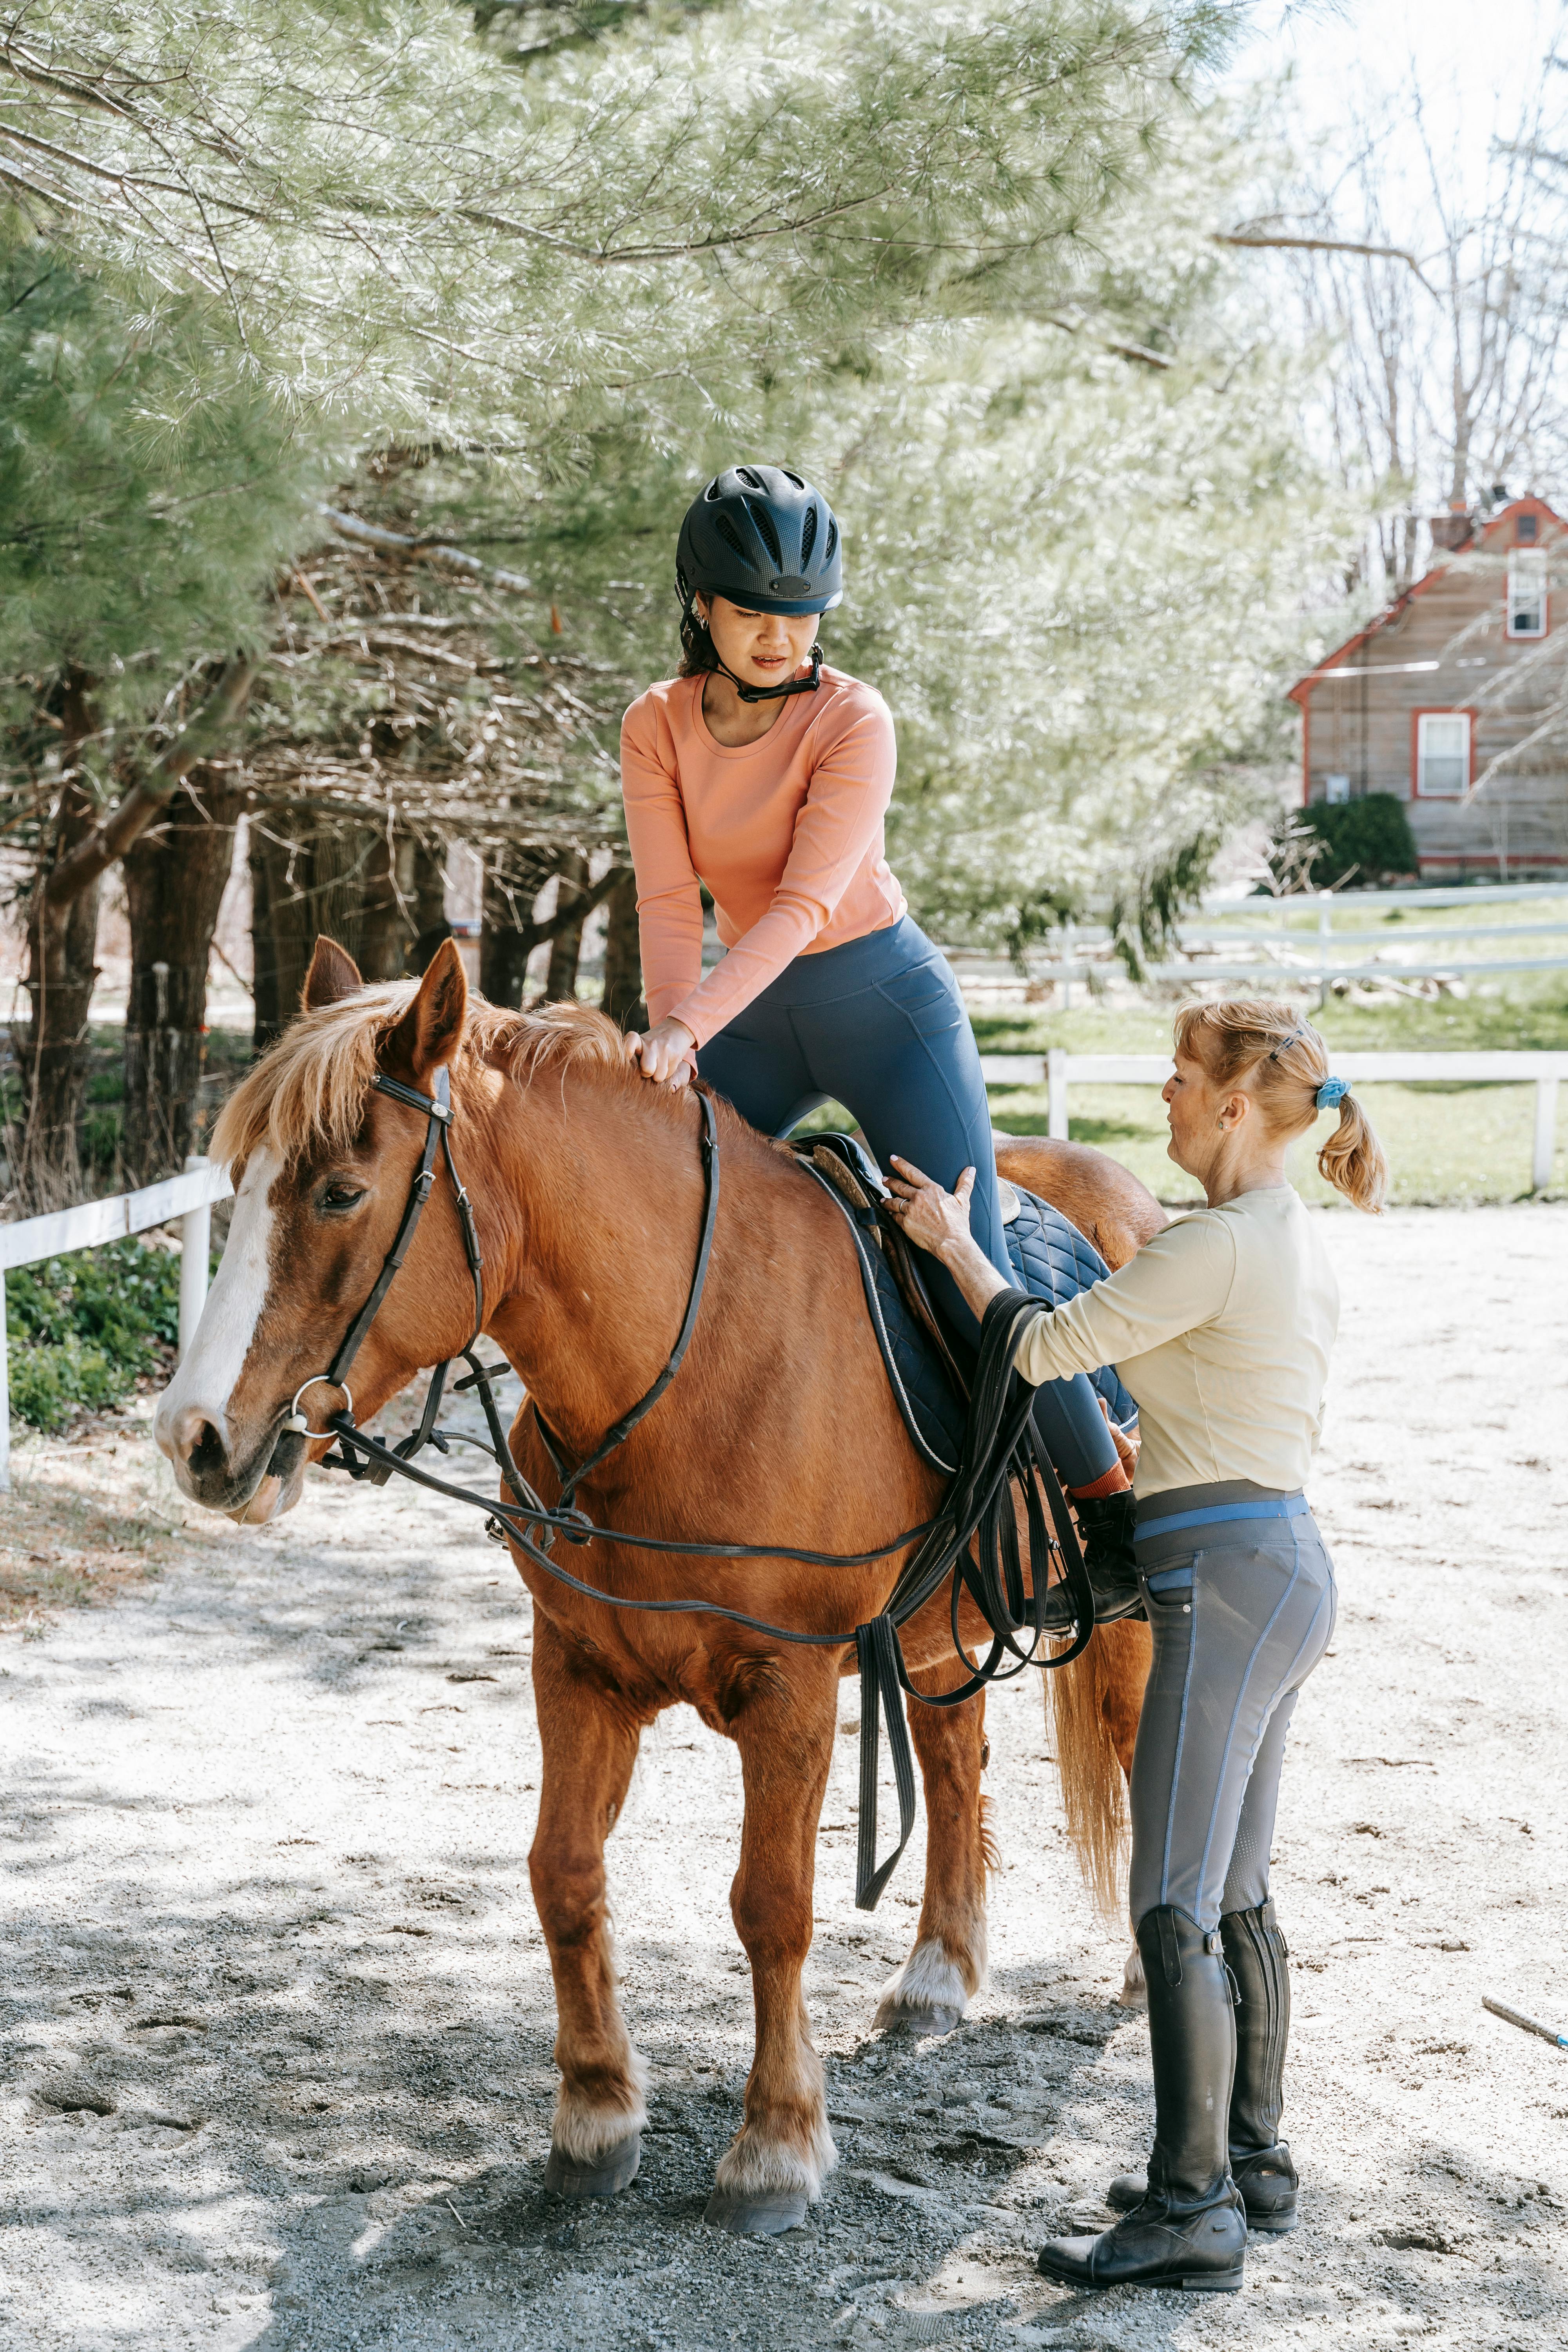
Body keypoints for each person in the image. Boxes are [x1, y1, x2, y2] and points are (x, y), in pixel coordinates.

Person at [886, 998, 1387, 2295]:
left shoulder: (1214, 1246)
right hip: (1278, 1571)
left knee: (1170, 1898)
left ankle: (1188, 2207)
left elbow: (1045, 1349)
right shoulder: (1280, 1234)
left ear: (1232, 1108)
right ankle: (1253, 2160)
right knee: (1236, 1889)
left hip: (1219, 1583)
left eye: (1176, 1080)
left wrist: (952, 1239)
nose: (1161, 1096)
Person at [618, 461, 1127, 1517]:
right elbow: (670, 902)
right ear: (699, 604)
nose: (779, 636)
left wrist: (685, 1027)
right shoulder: (655, 724)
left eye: (802, 615)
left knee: (970, 1254)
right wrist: (677, 1037)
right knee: (653, 1206)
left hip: (885, 1009)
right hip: (750, 1020)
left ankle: (1108, 1503)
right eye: (754, 610)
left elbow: (803, 906)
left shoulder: (855, 720)